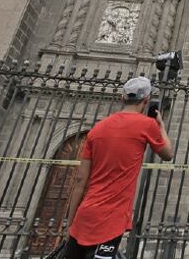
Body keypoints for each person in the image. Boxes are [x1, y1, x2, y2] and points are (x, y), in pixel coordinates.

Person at [64, 76, 174, 259]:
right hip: (111, 219)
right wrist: (160, 124)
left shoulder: (97, 129)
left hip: (84, 217)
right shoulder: (146, 125)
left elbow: (80, 181)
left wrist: (70, 223)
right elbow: (168, 154)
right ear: (146, 101)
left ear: (122, 98)